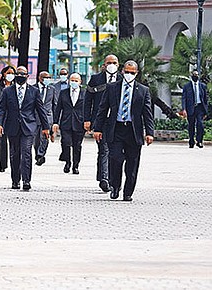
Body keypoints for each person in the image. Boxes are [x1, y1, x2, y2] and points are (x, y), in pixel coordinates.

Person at [93, 60, 154, 201]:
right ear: (122, 71)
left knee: (132, 164)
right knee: (115, 159)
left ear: (136, 73)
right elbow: (103, 109)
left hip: (133, 131)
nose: (129, 75)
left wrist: (150, 133)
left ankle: (128, 192)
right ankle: (115, 186)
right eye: (126, 72)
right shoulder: (112, 87)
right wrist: (97, 129)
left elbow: (147, 113)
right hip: (116, 129)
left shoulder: (143, 91)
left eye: (132, 73)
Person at [0, 66, 49, 191]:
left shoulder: (34, 91)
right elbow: (1, 109)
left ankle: (26, 180)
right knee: (14, 154)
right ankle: (15, 180)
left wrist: (46, 127)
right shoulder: (7, 91)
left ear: (27, 76)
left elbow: (41, 110)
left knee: (26, 153)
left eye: (23, 74)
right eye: (18, 74)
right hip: (12, 126)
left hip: (29, 127)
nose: (20, 76)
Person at [84, 54, 121, 192]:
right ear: (104, 65)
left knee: (115, 152)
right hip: (101, 121)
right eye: (109, 62)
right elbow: (88, 100)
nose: (112, 65)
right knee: (103, 150)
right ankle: (104, 179)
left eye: (114, 62)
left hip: (117, 122)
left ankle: (111, 178)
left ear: (118, 65)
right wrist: (87, 119)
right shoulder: (95, 79)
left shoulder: (123, 80)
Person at [52, 73, 85, 174]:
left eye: (76, 80)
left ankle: (75, 165)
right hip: (66, 122)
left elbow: (88, 109)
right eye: (72, 80)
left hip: (79, 123)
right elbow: (58, 109)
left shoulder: (85, 93)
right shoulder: (64, 93)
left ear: (80, 82)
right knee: (65, 143)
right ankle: (67, 162)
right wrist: (55, 122)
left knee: (77, 145)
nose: (74, 82)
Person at [0, 66, 15, 172]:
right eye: (8, 73)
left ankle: (14, 162)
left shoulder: (16, 86)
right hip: (1, 116)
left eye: (12, 73)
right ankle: (2, 164)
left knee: (14, 142)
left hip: (13, 117)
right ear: (4, 74)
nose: (10, 75)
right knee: (2, 142)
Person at [34, 71, 57, 166]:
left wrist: (55, 120)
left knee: (45, 137)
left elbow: (54, 104)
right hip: (35, 116)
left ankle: (41, 154)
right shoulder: (33, 88)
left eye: (49, 77)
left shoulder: (52, 89)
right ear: (40, 78)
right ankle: (37, 154)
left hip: (47, 117)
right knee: (36, 139)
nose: (48, 79)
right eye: (45, 77)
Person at [181, 71, 208, 148]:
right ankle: (191, 140)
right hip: (190, 108)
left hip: (199, 108)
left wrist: (205, 111)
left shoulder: (202, 86)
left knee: (200, 124)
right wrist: (184, 109)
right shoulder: (187, 86)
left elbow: (205, 98)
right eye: (194, 75)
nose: (195, 76)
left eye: (196, 75)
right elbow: (184, 98)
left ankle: (199, 141)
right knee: (191, 125)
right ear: (191, 76)